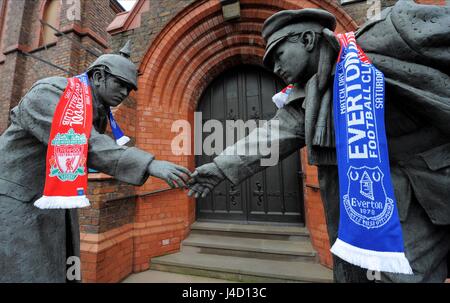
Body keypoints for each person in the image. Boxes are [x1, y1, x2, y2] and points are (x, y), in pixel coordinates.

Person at [188, 1, 450, 282]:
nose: (275, 68)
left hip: (438, 180)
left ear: (307, 39)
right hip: (390, 203)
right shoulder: (306, 96)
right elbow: (272, 136)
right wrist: (218, 169)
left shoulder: (392, 30)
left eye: (278, 55)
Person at [0, 42, 191, 282]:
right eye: (120, 84)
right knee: (25, 272)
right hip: (15, 198)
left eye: (129, 89)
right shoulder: (52, 92)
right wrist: (150, 164)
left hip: (49, 201)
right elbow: (86, 143)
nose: (124, 93)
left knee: (57, 271)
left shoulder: (94, 109)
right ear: (99, 76)